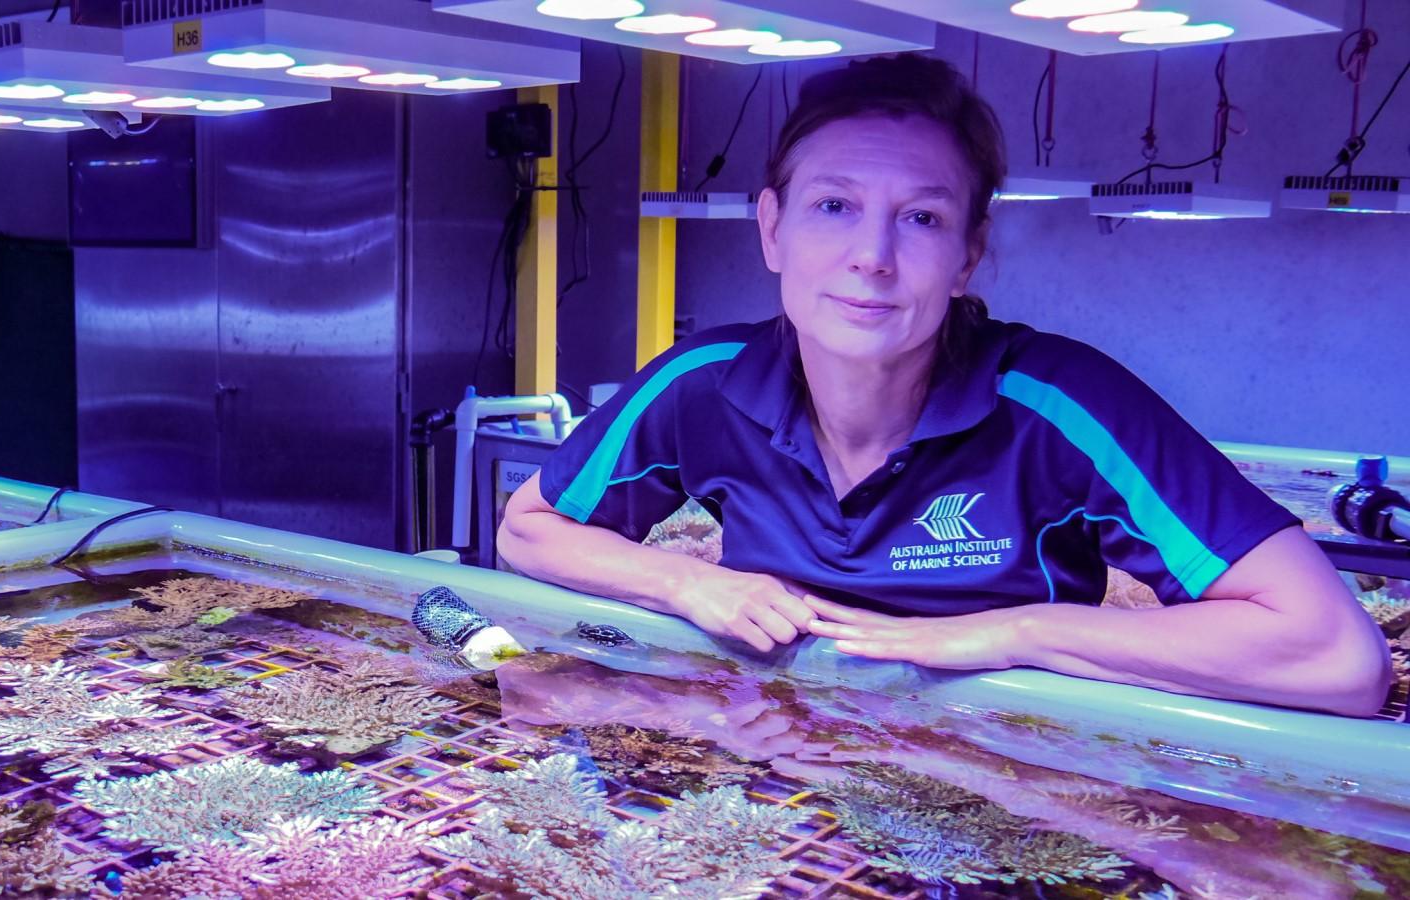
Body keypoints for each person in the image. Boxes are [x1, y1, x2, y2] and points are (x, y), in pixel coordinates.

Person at [497, 53, 1391, 717]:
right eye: (834, 205)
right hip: (772, 767)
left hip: (1014, 793)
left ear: (968, 254)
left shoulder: (1058, 405)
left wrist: (1016, 633)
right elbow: (530, 531)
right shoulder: (701, 385)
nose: (872, 259)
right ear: (772, 230)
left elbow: (1337, 658)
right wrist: (688, 586)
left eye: (920, 218)